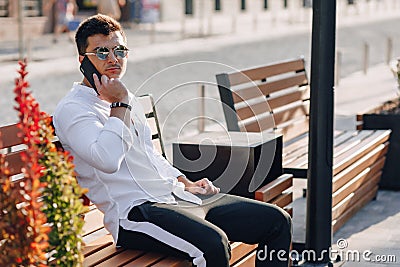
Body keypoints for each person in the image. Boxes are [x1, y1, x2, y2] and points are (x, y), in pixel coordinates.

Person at [53, 14, 292, 267]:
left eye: (119, 50)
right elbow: (108, 159)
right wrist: (119, 104)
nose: (113, 59)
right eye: (101, 52)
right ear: (82, 60)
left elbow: (149, 154)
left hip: (174, 196)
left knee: (276, 221)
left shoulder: (125, 97)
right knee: (213, 245)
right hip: (134, 214)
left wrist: (185, 182)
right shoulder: (75, 109)